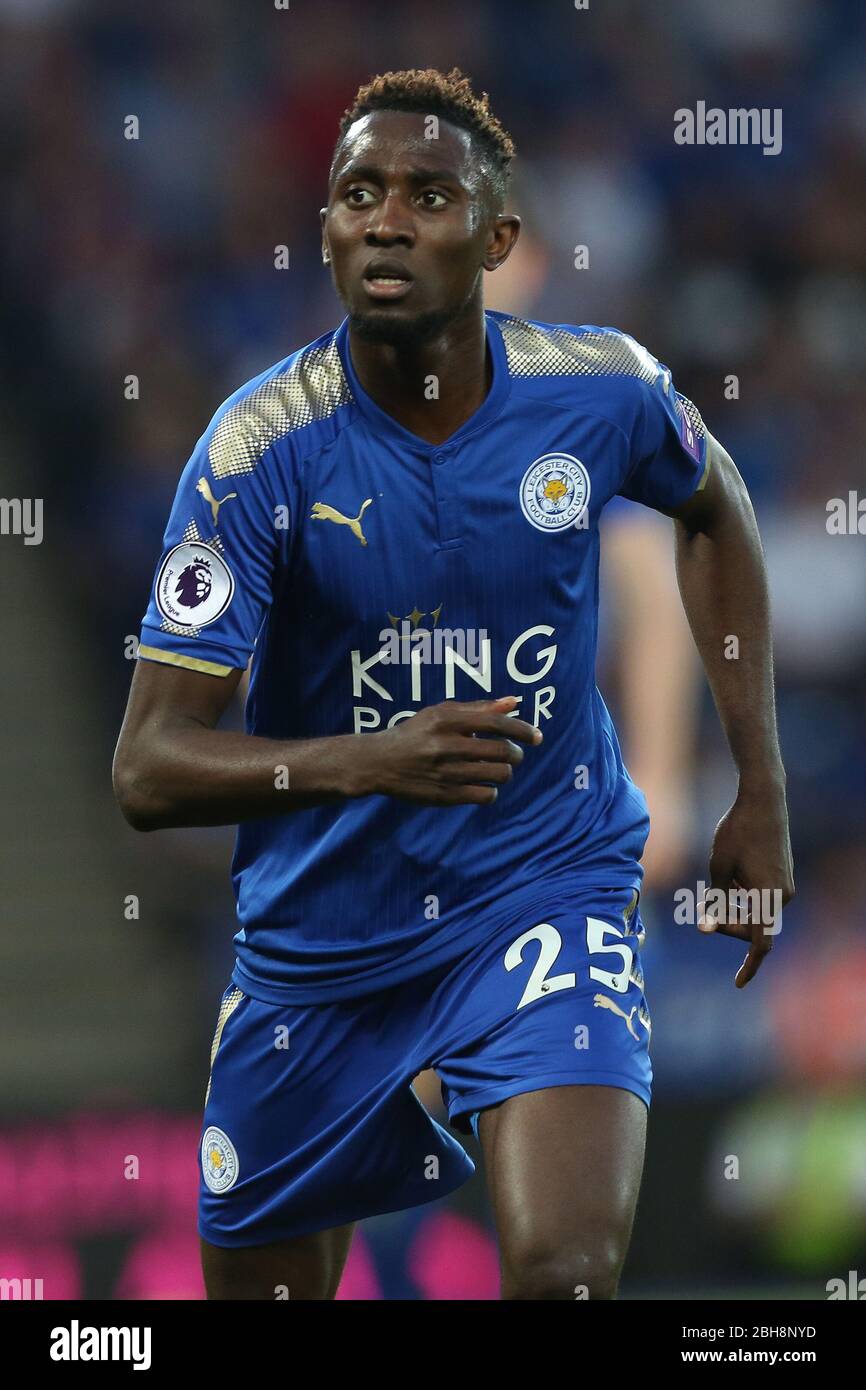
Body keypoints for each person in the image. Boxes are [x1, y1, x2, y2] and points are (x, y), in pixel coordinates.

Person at [113, 67, 794, 1300]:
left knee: (562, 1272)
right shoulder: (256, 453)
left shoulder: (599, 392)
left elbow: (715, 507)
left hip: (542, 890)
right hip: (318, 944)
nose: (385, 219)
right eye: (356, 193)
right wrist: (365, 763)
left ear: (497, 239)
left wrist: (757, 781)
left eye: (428, 196)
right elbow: (147, 768)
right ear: (323, 228)